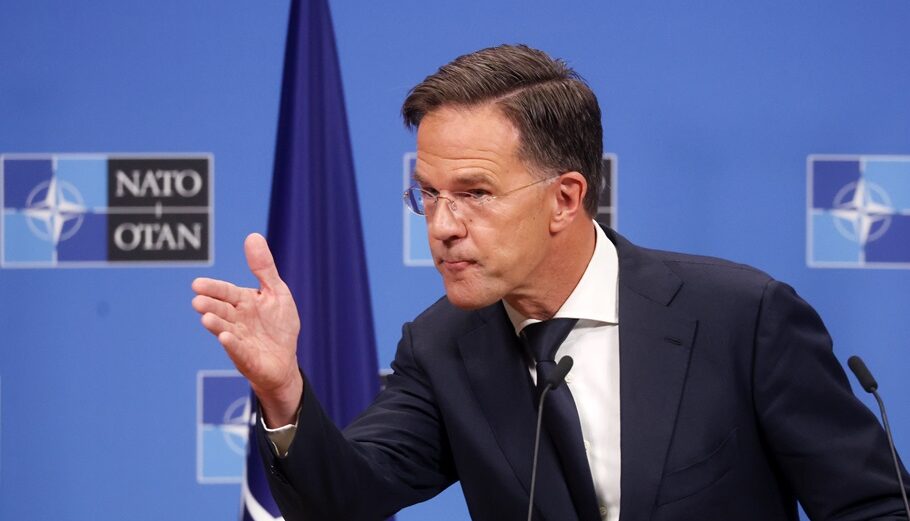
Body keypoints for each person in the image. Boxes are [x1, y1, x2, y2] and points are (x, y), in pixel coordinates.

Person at [191, 44, 909, 521]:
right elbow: (346, 495)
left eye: (474, 192)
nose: (441, 225)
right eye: (428, 194)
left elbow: (874, 508)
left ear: (565, 198)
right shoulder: (442, 347)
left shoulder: (741, 319)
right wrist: (284, 392)